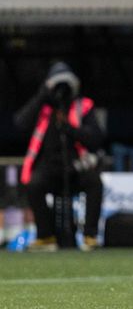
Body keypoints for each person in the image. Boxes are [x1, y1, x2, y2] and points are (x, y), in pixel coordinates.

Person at [14, 62, 105, 252]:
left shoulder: (82, 105)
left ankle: (90, 235)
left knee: (95, 182)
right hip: (49, 168)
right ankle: (46, 237)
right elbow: (20, 124)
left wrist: (69, 129)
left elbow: (96, 138)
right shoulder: (42, 107)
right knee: (34, 184)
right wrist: (42, 96)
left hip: (75, 167)